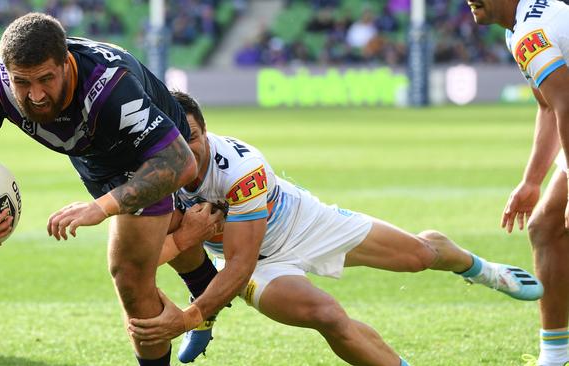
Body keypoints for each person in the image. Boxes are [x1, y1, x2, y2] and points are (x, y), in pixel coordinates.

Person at [128, 92, 544, 365]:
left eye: (194, 137)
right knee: (326, 315)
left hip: (306, 224)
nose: (185, 150)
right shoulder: (154, 171)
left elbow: (238, 263)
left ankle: (480, 268)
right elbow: (139, 262)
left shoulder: (241, 169)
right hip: (262, 267)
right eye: (175, 141)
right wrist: (185, 239)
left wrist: (187, 317)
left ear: (206, 130)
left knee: (419, 256)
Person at [0, 13, 197, 366]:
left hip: (154, 151)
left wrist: (102, 207)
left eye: (46, 79)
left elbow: (180, 162)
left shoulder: (109, 86)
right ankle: (204, 302)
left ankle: (200, 312)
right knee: (165, 245)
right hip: (92, 156)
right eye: (22, 82)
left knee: (130, 276)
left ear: (66, 63)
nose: (36, 95)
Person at [466, 1, 569, 365]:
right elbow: (548, 106)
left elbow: (566, 103)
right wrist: (531, 181)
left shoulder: (530, 32)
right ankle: (554, 356)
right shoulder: (519, 29)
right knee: (545, 227)